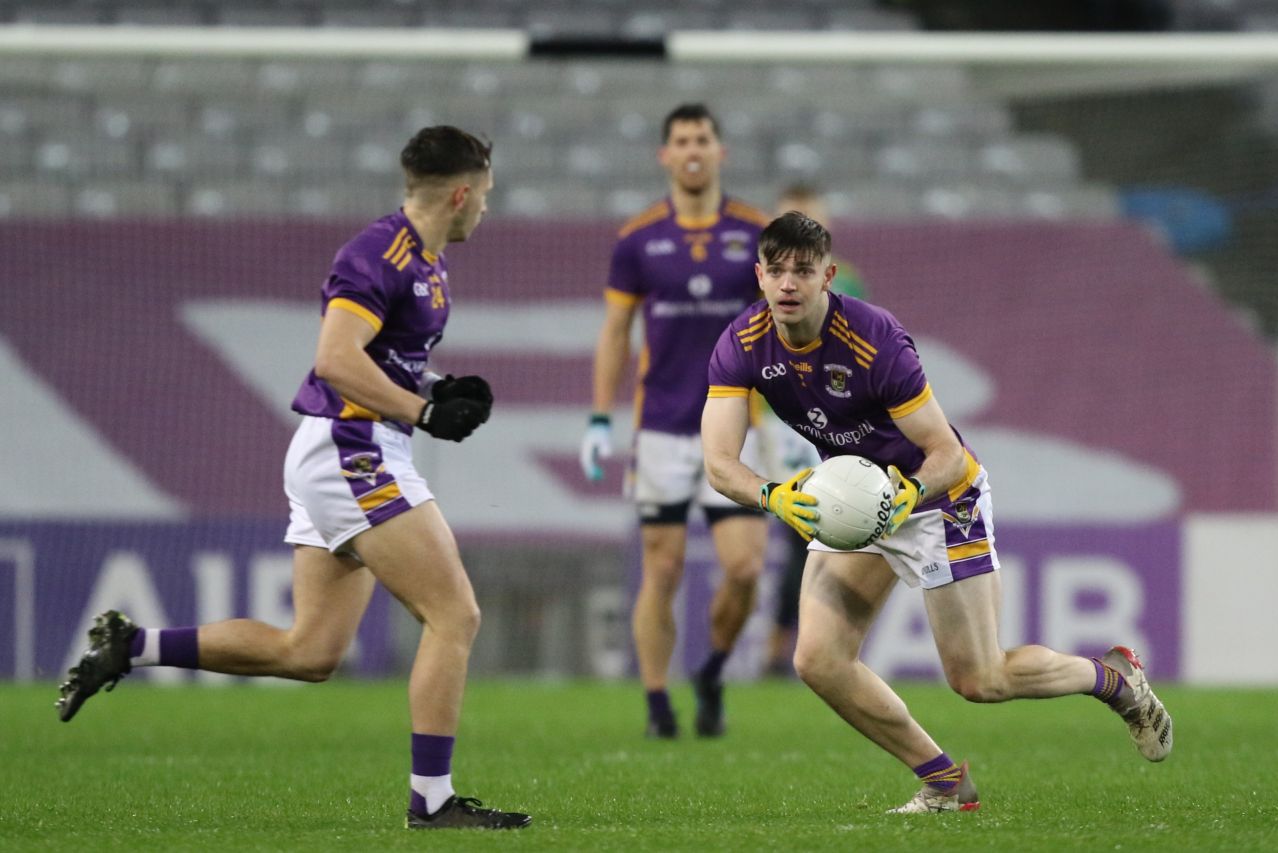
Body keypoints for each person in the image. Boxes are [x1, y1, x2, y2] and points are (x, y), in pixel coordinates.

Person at [55, 126, 531, 831]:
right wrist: (425, 410)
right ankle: (431, 800)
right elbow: (336, 359)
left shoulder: (427, 262)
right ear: (461, 193)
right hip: (353, 446)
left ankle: (132, 646)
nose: (487, 210)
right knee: (454, 614)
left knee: (309, 651)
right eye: (485, 196)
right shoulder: (379, 253)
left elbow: (382, 356)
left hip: (346, 447)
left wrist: (439, 383)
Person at [701, 211, 1172, 813]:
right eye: (777, 271)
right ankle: (946, 782)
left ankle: (1115, 680)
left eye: (804, 270)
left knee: (981, 680)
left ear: (829, 277)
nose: (789, 284)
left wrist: (908, 497)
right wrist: (772, 496)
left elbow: (946, 452)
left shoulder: (873, 339)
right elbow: (719, 461)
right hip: (853, 500)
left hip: (934, 498)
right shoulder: (741, 343)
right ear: (759, 277)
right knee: (818, 660)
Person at [580, 103, 771, 739]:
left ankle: (712, 669)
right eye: (682, 140)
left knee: (744, 569)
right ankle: (659, 703)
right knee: (660, 568)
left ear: (722, 152)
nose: (693, 149)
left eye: (704, 138)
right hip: (661, 427)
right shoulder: (637, 238)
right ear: (665, 155)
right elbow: (615, 331)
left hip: (736, 428)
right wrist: (600, 419)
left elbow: (782, 328)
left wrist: (786, 423)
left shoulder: (755, 234)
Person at [762, 185, 868, 678]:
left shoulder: (847, 280)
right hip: (783, 428)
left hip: (836, 426)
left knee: (831, 536)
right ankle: (787, 647)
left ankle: (814, 646)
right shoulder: (762, 284)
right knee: (797, 538)